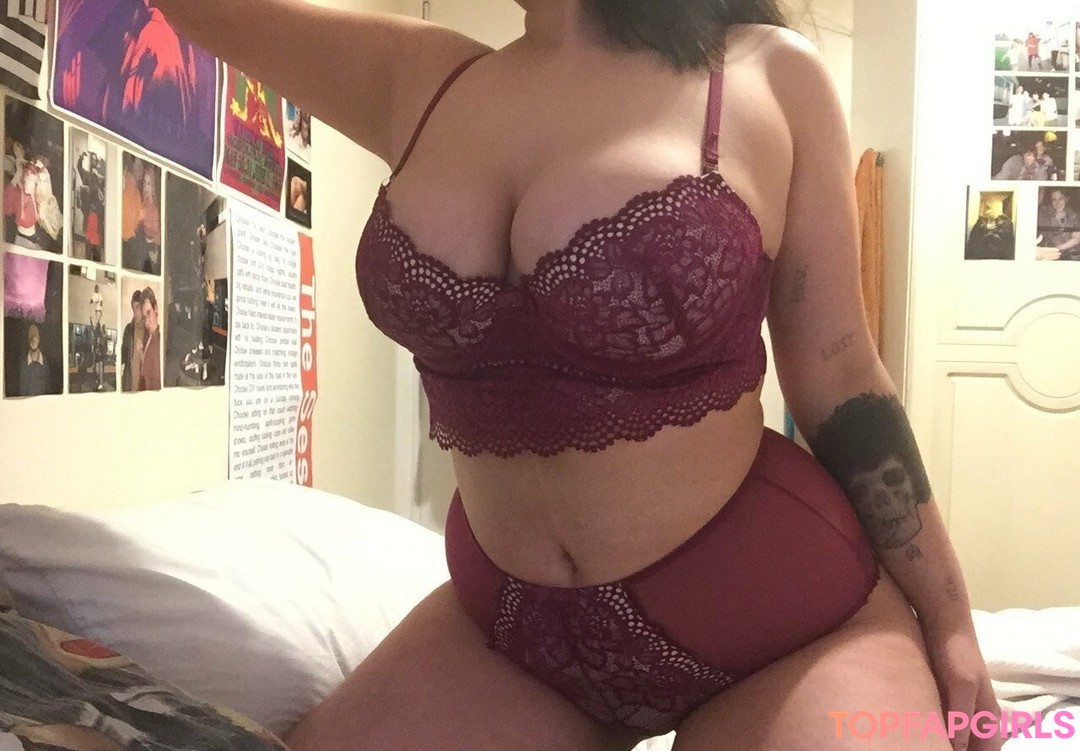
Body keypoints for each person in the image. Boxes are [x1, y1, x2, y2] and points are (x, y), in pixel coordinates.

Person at [155, 2, 999, 749]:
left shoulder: (768, 73)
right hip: (514, 633)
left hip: (780, 615)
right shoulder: (422, 82)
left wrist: (952, 622)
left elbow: (839, 371)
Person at [1036, 189, 1080, 261]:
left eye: (1061, 198)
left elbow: (1076, 239)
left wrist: (1056, 249)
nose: (1058, 203)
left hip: (1073, 256)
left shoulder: (1074, 216)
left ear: (1066, 199)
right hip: (1052, 256)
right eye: (1054, 200)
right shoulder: (1044, 215)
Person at [121, 290, 145, 392]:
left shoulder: (148, 329)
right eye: (133, 307)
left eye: (138, 306)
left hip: (143, 386)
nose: (135, 310)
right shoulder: (129, 329)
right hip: (129, 385)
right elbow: (123, 357)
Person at [138, 287, 161, 391]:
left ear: (156, 308)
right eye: (144, 317)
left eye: (149, 313)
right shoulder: (148, 338)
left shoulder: (160, 340)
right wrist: (140, 351)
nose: (147, 321)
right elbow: (146, 367)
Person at [18, 324, 49, 397]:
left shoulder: (45, 363)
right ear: (28, 342)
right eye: (31, 339)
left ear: (39, 341)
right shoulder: (24, 364)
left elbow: (48, 387)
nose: (33, 341)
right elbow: (22, 389)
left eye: (35, 339)